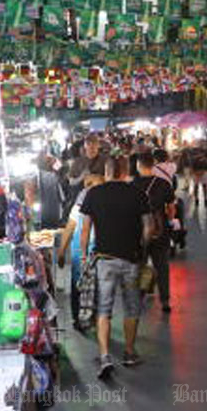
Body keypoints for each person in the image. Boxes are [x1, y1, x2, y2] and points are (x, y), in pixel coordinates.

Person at [79, 157, 150, 378]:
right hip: (130, 259)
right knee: (131, 307)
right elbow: (148, 227)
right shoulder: (138, 194)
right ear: (126, 171)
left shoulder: (93, 194)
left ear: (107, 171)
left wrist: (83, 256)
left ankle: (104, 356)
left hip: (104, 259)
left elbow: (85, 229)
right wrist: (141, 248)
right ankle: (129, 352)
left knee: (104, 309)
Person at [55, 170, 102, 332]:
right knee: (81, 285)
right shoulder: (81, 202)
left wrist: (62, 252)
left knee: (90, 285)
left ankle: (91, 318)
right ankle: (80, 318)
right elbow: (70, 227)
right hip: (83, 252)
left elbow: (70, 227)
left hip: (94, 251)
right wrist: (61, 252)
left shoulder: (96, 201)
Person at [140, 150, 177, 312]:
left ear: (138, 165)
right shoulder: (164, 184)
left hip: (140, 232)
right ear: (153, 164)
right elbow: (171, 209)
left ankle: (139, 296)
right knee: (162, 265)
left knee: (140, 264)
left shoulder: (133, 184)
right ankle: (165, 301)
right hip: (160, 230)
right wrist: (168, 220)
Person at [185, 142, 207, 209]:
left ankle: (201, 199)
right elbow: (191, 164)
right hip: (198, 171)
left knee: (202, 186)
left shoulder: (202, 151)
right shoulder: (194, 152)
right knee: (199, 186)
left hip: (201, 171)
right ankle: (198, 199)